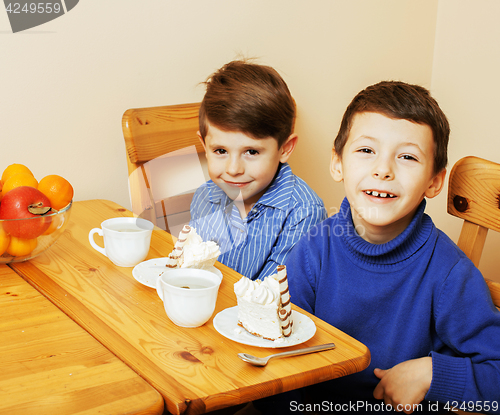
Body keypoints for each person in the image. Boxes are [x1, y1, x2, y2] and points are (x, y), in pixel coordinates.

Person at [285, 81, 500, 414]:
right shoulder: (314, 251)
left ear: (434, 181)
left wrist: (431, 373)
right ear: (337, 162)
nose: (383, 170)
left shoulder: (449, 274)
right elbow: (280, 355)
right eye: (366, 150)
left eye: (407, 157)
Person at [189, 60, 327, 281]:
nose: (233, 169)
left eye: (251, 152)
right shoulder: (205, 196)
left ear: (284, 148)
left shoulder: (304, 213)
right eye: (220, 150)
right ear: (204, 146)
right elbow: (195, 268)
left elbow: (271, 295)